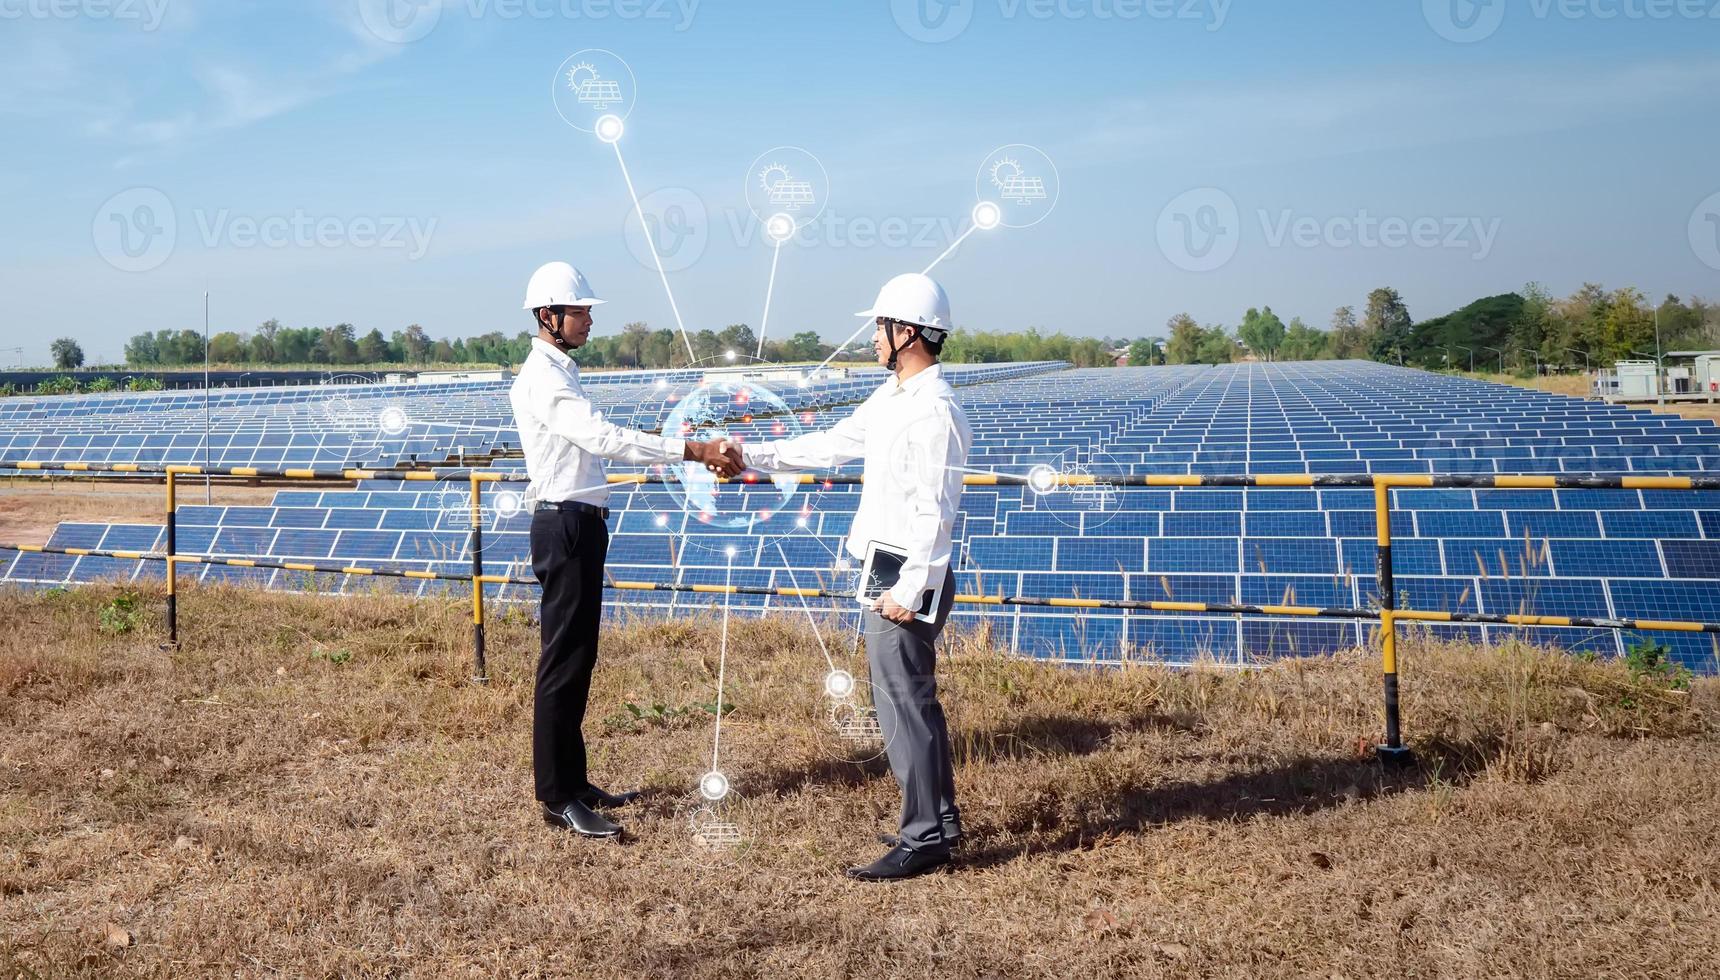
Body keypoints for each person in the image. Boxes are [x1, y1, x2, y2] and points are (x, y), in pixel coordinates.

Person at [739, 272, 972, 881]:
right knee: (905, 698)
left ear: (910, 333)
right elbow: (829, 445)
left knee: (905, 703)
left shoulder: (936, 409)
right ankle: (938, 821)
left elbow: (936, 508)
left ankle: (922, 838)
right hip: (887, 564)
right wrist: (752, 458)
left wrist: (911, 587)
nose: (872, 337)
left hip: (908, 571)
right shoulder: (893, 398)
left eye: (881, 326)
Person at [509, 261, 743, 839]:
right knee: (562, 661)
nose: (589, 320)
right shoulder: (545, 378)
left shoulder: (559, 371)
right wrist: (691, 450)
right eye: (580, 311)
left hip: (581, 523)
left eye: (587, 310)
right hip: (564, 526)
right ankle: (557, 797)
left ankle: (575, 779)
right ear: (549, 316)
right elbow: (600, 438)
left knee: (579, 656)